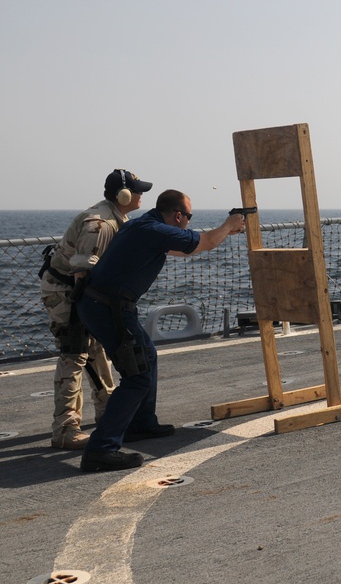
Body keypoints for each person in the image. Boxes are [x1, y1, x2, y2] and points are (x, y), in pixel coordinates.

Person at [76, 190, 245, 472]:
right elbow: (203, 242)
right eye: (188, 217)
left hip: (102, 303)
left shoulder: (144, 226)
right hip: (108, 308)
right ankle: (100, 449)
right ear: (178, 216)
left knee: (147, 357)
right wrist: (229, 225)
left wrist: (225, 231)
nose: (189, 223)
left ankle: (140, 424)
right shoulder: (155, 229)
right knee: (138, 376)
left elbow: (183, 249)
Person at [40, 169, 153, 449]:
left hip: (80, 291)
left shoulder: (114, 218)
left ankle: (106, 411)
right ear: (124, 195)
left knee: (95, 348)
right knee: (74, 353)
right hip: (67, 292)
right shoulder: (100, 225)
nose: (140, 195)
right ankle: (65, 429)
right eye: (137, 190)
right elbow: (82, 273)